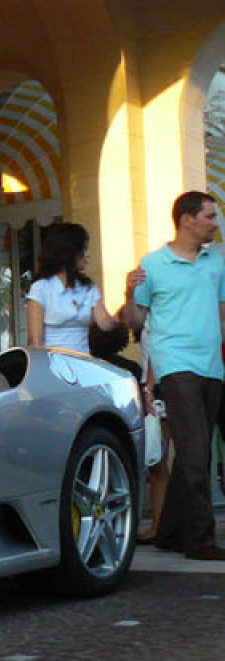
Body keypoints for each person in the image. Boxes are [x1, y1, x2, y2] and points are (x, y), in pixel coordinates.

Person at [125, 190, 225, 561]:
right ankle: (200, 540)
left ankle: (168, 532)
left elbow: (221, 315)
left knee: (191, 454)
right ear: (187, 219)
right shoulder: (153, 264)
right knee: (195, 449)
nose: (216, 223)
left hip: (212, 366)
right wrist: (129, 291)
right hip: (175, 365)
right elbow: (135, 323)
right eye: (210, 216)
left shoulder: (215, 264)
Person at [27, 223, 122, 353]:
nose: (87, 255)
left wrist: (128, 301)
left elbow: (104, 323)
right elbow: (35, 341)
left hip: (81, 363)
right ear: (69, 252)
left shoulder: (87, 287)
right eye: (83, 249)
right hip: (53, 364)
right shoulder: (41, 288)